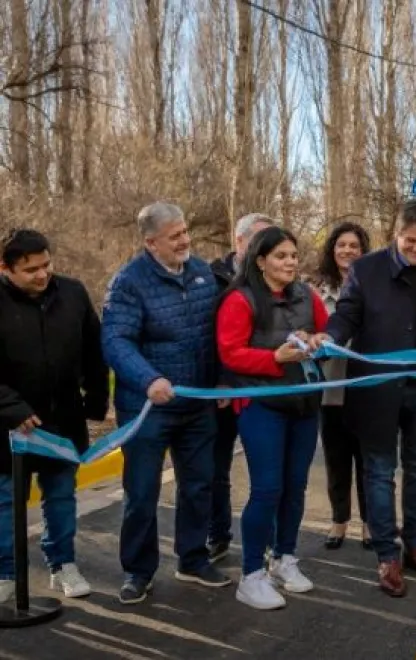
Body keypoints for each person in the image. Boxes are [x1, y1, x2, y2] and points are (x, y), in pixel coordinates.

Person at [325, 199, 416, 598]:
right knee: (379, 471)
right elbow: (346, 316)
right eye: (411, 241)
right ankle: (387, 556)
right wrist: (328, 338)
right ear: (396, 233)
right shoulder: (365, 269)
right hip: (376, 390)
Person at [102, 202, 231, 605]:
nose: (185, 241)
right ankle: (138, 572)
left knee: (198, 486)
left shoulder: (202, 274)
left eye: (185, 231)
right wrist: (149, 379)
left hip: (197, 406)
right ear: (150, 242)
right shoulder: (128, 283)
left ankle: (192, 559)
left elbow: (217, 332)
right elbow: (116, 341)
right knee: (142, 493)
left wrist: (223, 378)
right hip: (148, 408)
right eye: (174, 236)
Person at [216, 226, 328, 610]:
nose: (290, 262)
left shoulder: (307, 295)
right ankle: (251, 575)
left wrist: (320, 342)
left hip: (304, 405)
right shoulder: (239, 300)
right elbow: (230, 353)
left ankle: (284, 558)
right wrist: (274, 358)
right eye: (281, 256)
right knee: (267, 489)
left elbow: (326, 332)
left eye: (293, 255)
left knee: (296, 486)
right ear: (260, 261)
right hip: (261, 406)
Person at [0, 229, 109, 603]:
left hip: (63, 420)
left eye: (46, 265)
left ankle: (63, 564)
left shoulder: (72, 293)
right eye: (31, 269)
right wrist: (12, 408)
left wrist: (97, 399)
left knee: (61, 497)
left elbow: (94, 351)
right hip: (9, 427)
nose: (42, 274)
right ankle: (6, 572)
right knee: (6, 502)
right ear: (6, 268)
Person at [208, 212, 275, 563]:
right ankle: (217, 535)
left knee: (266, 474)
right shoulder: (209, 279)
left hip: (262, 391)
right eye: (259, 241)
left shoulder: (278, 281)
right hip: (221, 393)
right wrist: (217, 379)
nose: (266, 249)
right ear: (239, 242)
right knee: (216, 470)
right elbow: (206, 335)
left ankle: (271, 541)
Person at [315, 221, 372, 549]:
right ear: (332, 249)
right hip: (330, 387)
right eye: (342, 245)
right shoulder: (316, 290)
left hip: (366, 387)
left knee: (367, 461)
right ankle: (339, 521)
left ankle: (369, 523)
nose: (347, 251)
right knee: (336, 460)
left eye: (354, 246)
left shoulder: (374, 287)